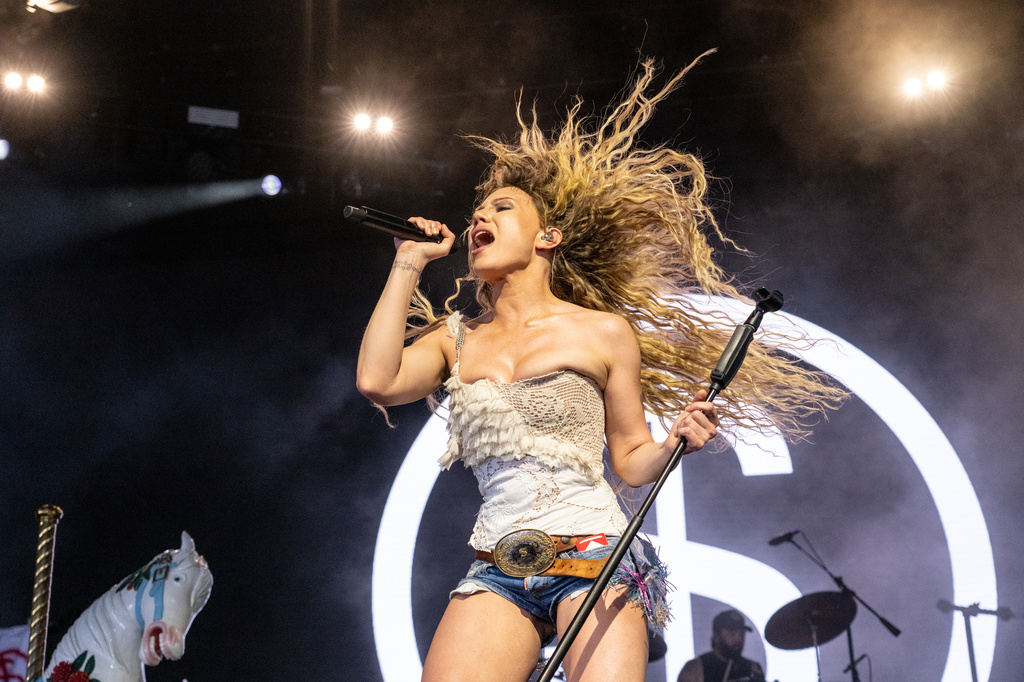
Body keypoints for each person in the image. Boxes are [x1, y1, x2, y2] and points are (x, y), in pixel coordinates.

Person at [356, 55, 843, 682]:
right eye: (477, 211)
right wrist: (407, 263)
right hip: (498, 563)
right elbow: (377, 380)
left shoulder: (602, 331)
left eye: (500, 208)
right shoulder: (457, 341)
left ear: (547, 237)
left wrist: (675, 443)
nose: (479, 218)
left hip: (597, 555)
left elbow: (630, 458)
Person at [677, 609, 765, 682]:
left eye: (741, 633)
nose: (738, 639)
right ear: (716, 636)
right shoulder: (695, 668)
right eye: (732, 632)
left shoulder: (753, 668)